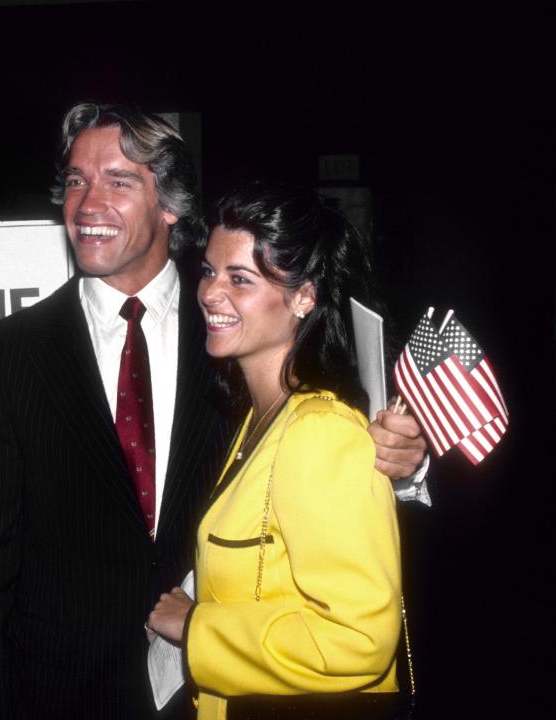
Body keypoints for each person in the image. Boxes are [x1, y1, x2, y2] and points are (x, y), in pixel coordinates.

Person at [0, 103, 425, 720]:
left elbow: (338, 437)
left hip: (225, 696)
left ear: (170, 205)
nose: (88, 205)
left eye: (118, 180)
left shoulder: (245, 331)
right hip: (59, 696)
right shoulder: (6, 355)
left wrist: (404, 464)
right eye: (75, 181)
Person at [147, 183, 404, 719]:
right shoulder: (256, 417)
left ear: (304, 297)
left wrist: (197, 627)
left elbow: (358, 637)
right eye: (210, 271)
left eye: (241, 279)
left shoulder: (319, 432)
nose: (211, 294)